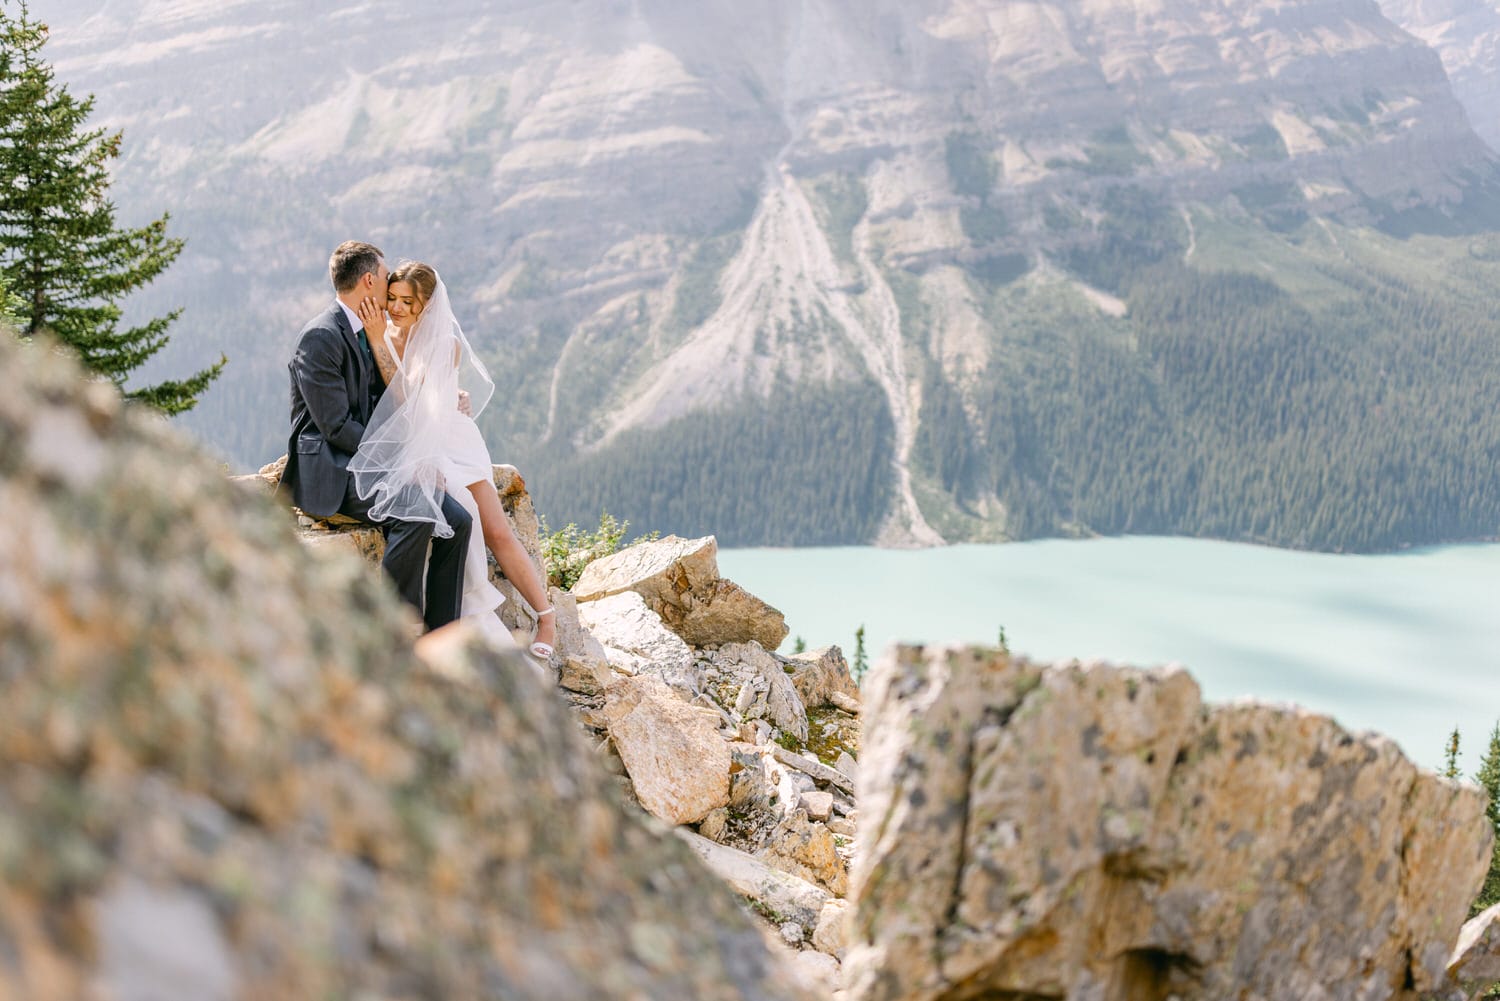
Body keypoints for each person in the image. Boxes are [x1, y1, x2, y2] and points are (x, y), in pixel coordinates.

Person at [349, 260, 557, 659]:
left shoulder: (444, 342)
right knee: (452, 516)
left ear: (426, 305)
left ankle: (546, 616)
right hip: (412, 446)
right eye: (391, 297)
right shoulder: (382, 331)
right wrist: (380, 337)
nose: (396, 308)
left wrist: (383, 344)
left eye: (407, 302)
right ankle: (444, 621)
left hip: (450, 440)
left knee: (496, 531)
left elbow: (411, 397)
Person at [281, 241, 472, 632]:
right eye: (385, 277)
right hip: (334, 467)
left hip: (367, 460)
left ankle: (442, 637)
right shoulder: (320, 336)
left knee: (458, 521)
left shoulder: (369, 331)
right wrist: (402, 462)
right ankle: (395, 635)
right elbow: (335, 426)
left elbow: (389, 402)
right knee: (417, 513)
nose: (388, 287)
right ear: (369, 280)